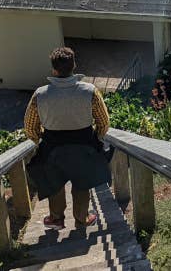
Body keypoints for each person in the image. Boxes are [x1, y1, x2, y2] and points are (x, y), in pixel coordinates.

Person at [24, 47, 111, 230]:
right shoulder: (90, 91)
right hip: (84, 144)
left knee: (54, 183)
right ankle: (82, 218)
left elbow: (30, 128)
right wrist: (97, 137)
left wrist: (40, 140)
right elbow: (103, 122)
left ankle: (56, 219)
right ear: (74, 66)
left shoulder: (40, 95)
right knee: (82, 183)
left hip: (53, 145)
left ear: (54, 70)